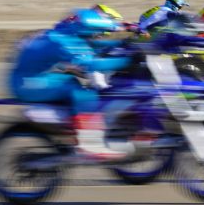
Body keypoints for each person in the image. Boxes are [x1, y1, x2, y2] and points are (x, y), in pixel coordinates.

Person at [9, 8, 133, 160]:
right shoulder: (63, 42)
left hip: (29, 78)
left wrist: (126, 43)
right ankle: (90, 144)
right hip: (28, 84)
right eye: (94, 33)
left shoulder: (61, 35)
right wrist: (127, 61)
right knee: (83, 93)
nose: (96, 36)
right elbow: (91, 64)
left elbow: (95, 46)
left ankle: (73, 131)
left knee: (73, 82)